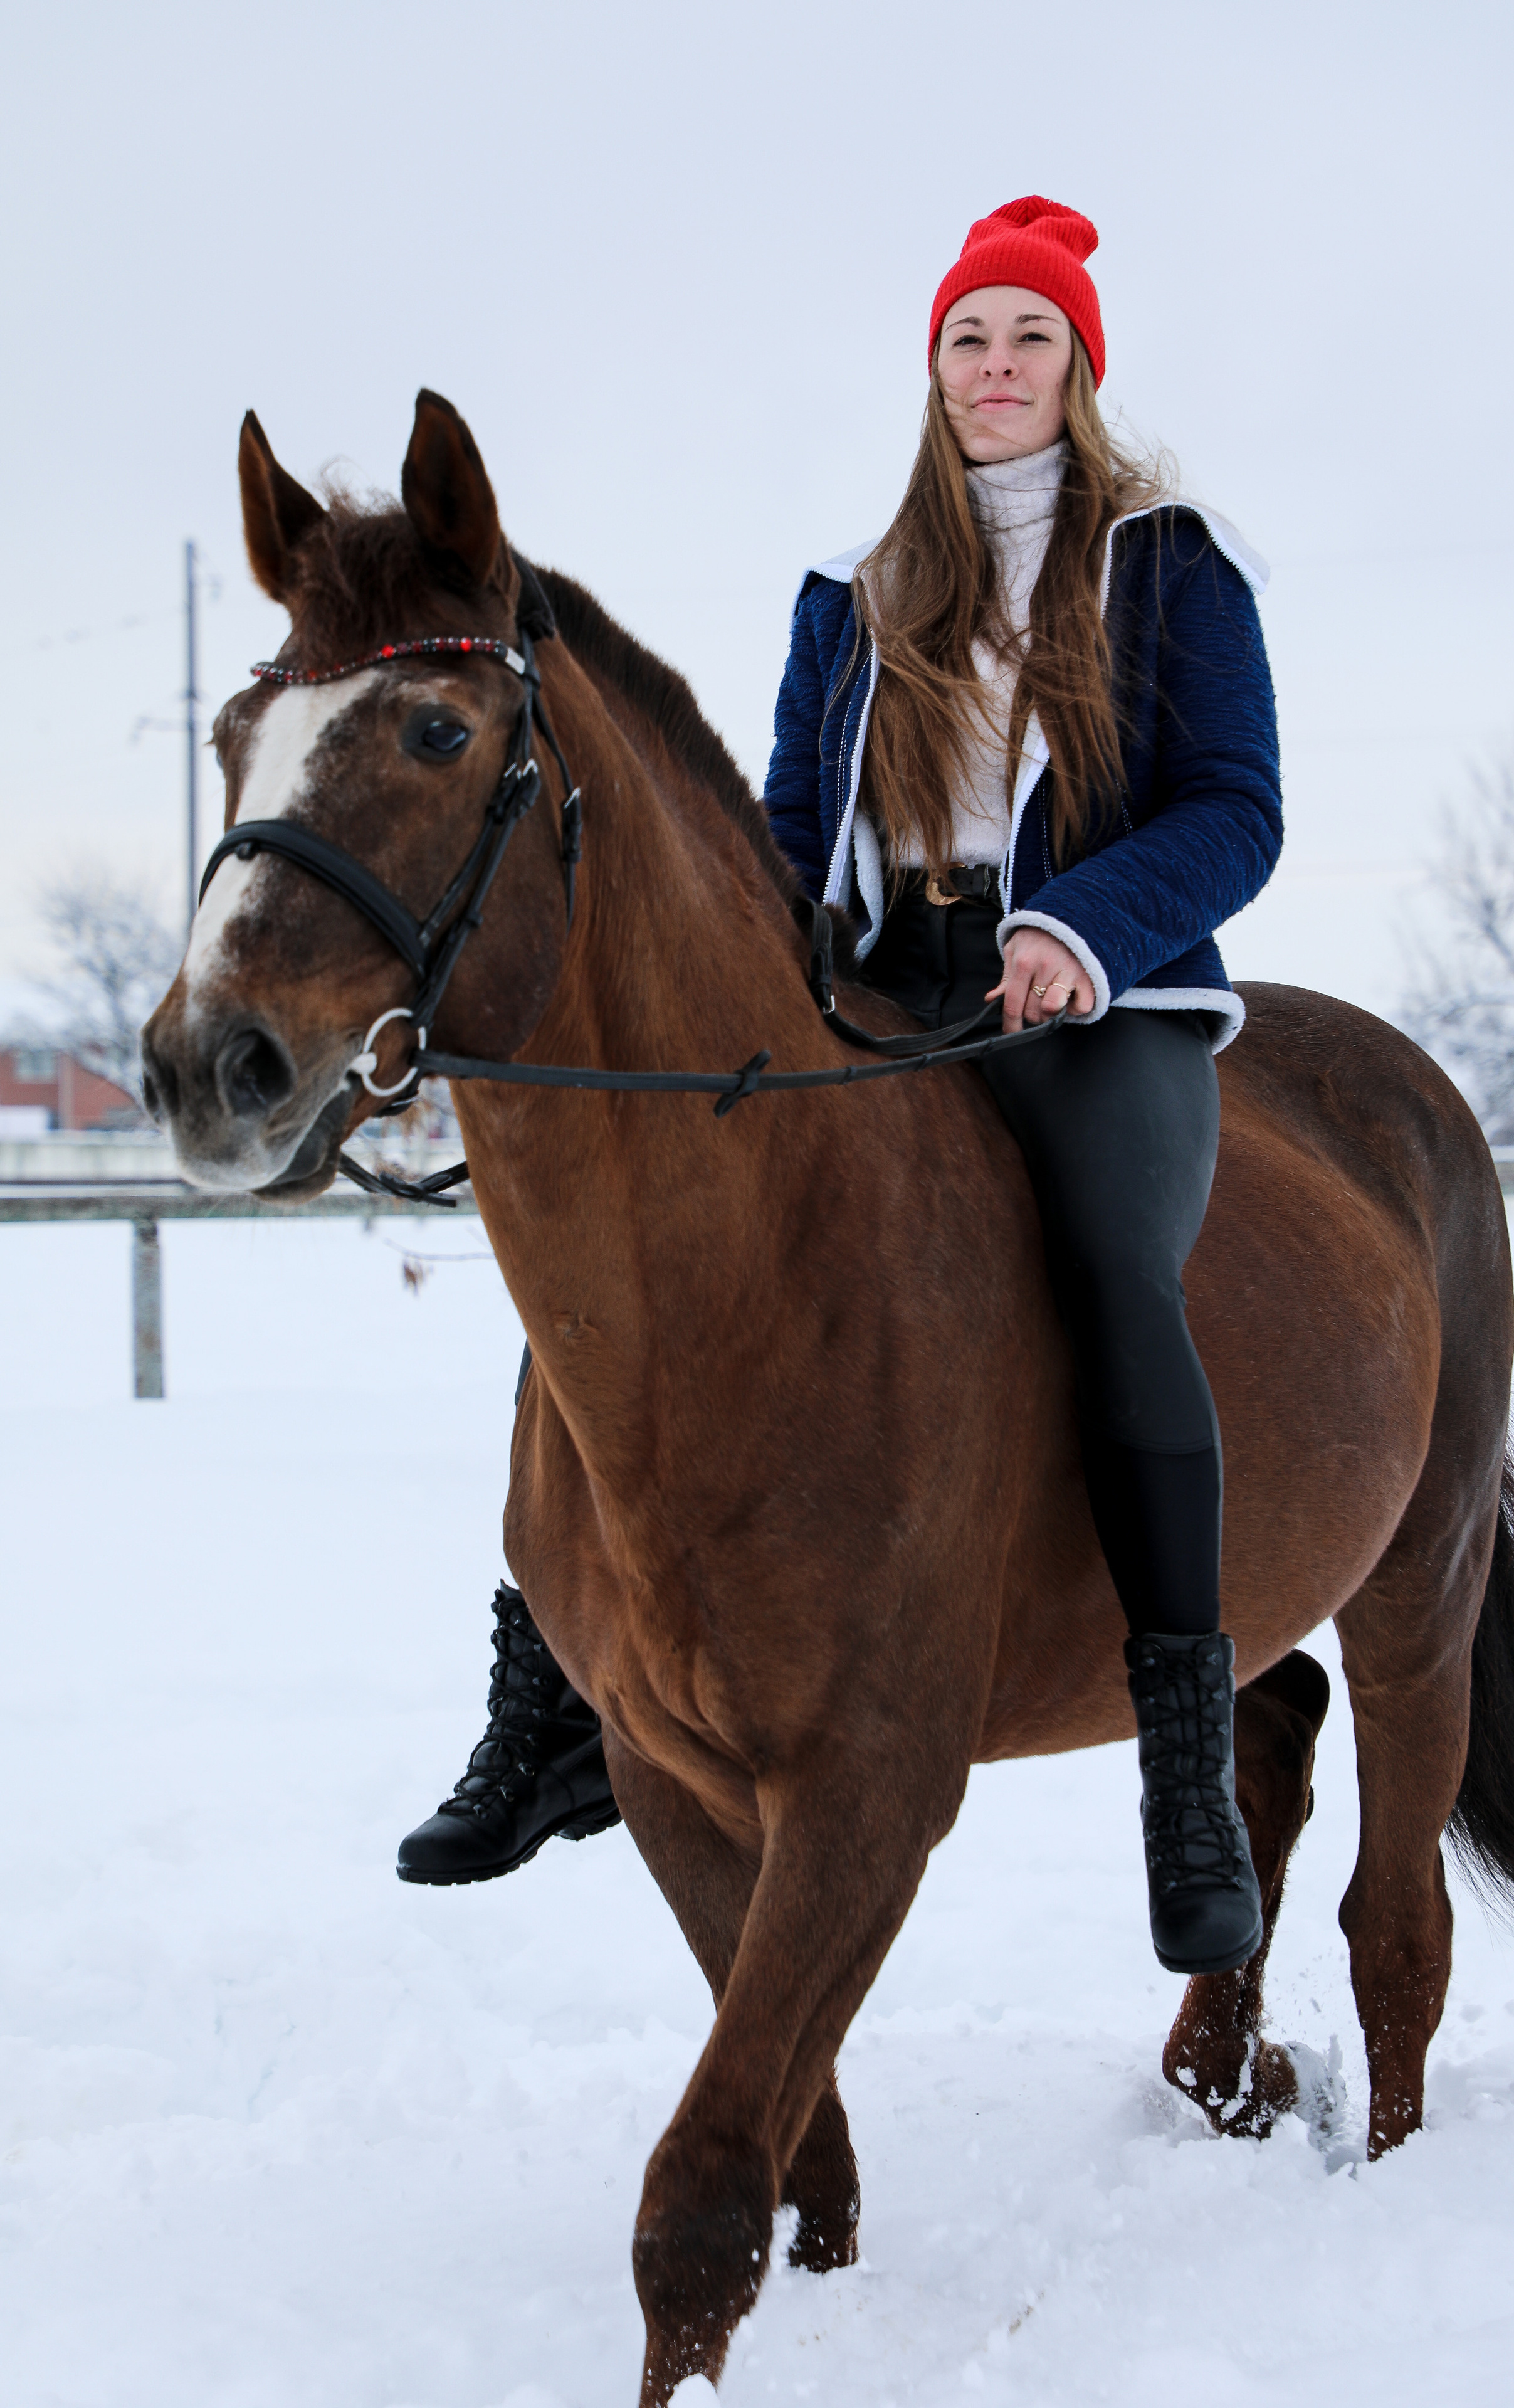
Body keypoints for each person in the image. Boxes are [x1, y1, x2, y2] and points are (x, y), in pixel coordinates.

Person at [398, 195, 1281, 1980]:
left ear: (1081, 370)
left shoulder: (1173, 566)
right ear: (935, 371)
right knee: (626, 1265)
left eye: (1031, 338)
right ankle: (553, 1698)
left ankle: (1187, 1766)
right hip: (882, 995)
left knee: (1117, 1276)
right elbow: (792, 842)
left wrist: (1076, 928)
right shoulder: (858, 595)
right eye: (970, 338)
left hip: (1094, 1001)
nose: (998, 368)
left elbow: (1237, 812)